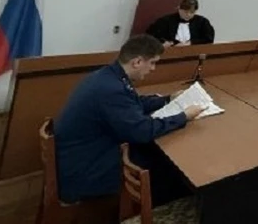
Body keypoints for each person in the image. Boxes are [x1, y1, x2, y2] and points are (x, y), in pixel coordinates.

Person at [54, 34, 205, 205]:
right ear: (137, 62)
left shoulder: (109, 76)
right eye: (152, 63)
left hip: (83, 154)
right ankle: (159, 212)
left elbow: (133, 102)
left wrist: (167, 99)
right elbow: (143, 131)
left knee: (154, 155)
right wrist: (184, 116)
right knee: (167, 168)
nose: (153, 68)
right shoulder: (112, 89)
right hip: (85, 170)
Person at [146, 0, 215, 47]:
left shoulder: (202, 22)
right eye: (185, 12)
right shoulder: (165, 21)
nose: (188, 15)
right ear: (179, 9)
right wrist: (164, 43)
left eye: (192, 12)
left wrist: (190, 43)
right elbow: (151, 35)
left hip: (195, 53)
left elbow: (208, 39)